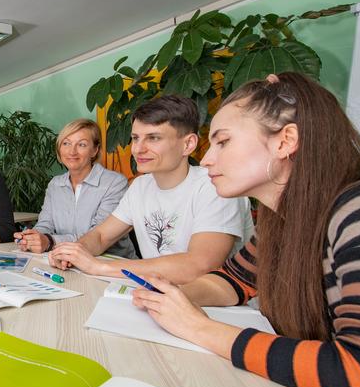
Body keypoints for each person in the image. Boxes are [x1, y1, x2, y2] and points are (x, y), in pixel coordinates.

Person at [131, 73, 360, 387]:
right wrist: (172, 298)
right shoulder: (282, 219)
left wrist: (198, 327)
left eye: (223, 142)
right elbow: (232, 281)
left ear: (285, 142)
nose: (206, 160)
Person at [49, 95, 253, 284]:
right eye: (136, 138)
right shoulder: (140, 186)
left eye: (153, 138)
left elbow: (199, 265)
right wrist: (74, 253)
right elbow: (102, 236)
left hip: (222, 308)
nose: (138, 149)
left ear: (188, 144)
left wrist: (100, 266)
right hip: (158, 294)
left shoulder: (215, 185)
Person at [13, 119, 135, 258]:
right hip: (65, 259)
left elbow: (97, 234)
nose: (72, 151)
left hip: (109, 263)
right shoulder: (55, 184)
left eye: (81, 144)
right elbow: (45, 224)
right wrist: (33, 237)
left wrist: (50, 241)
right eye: (66, 143)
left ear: (95, 150)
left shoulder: (114, 182)